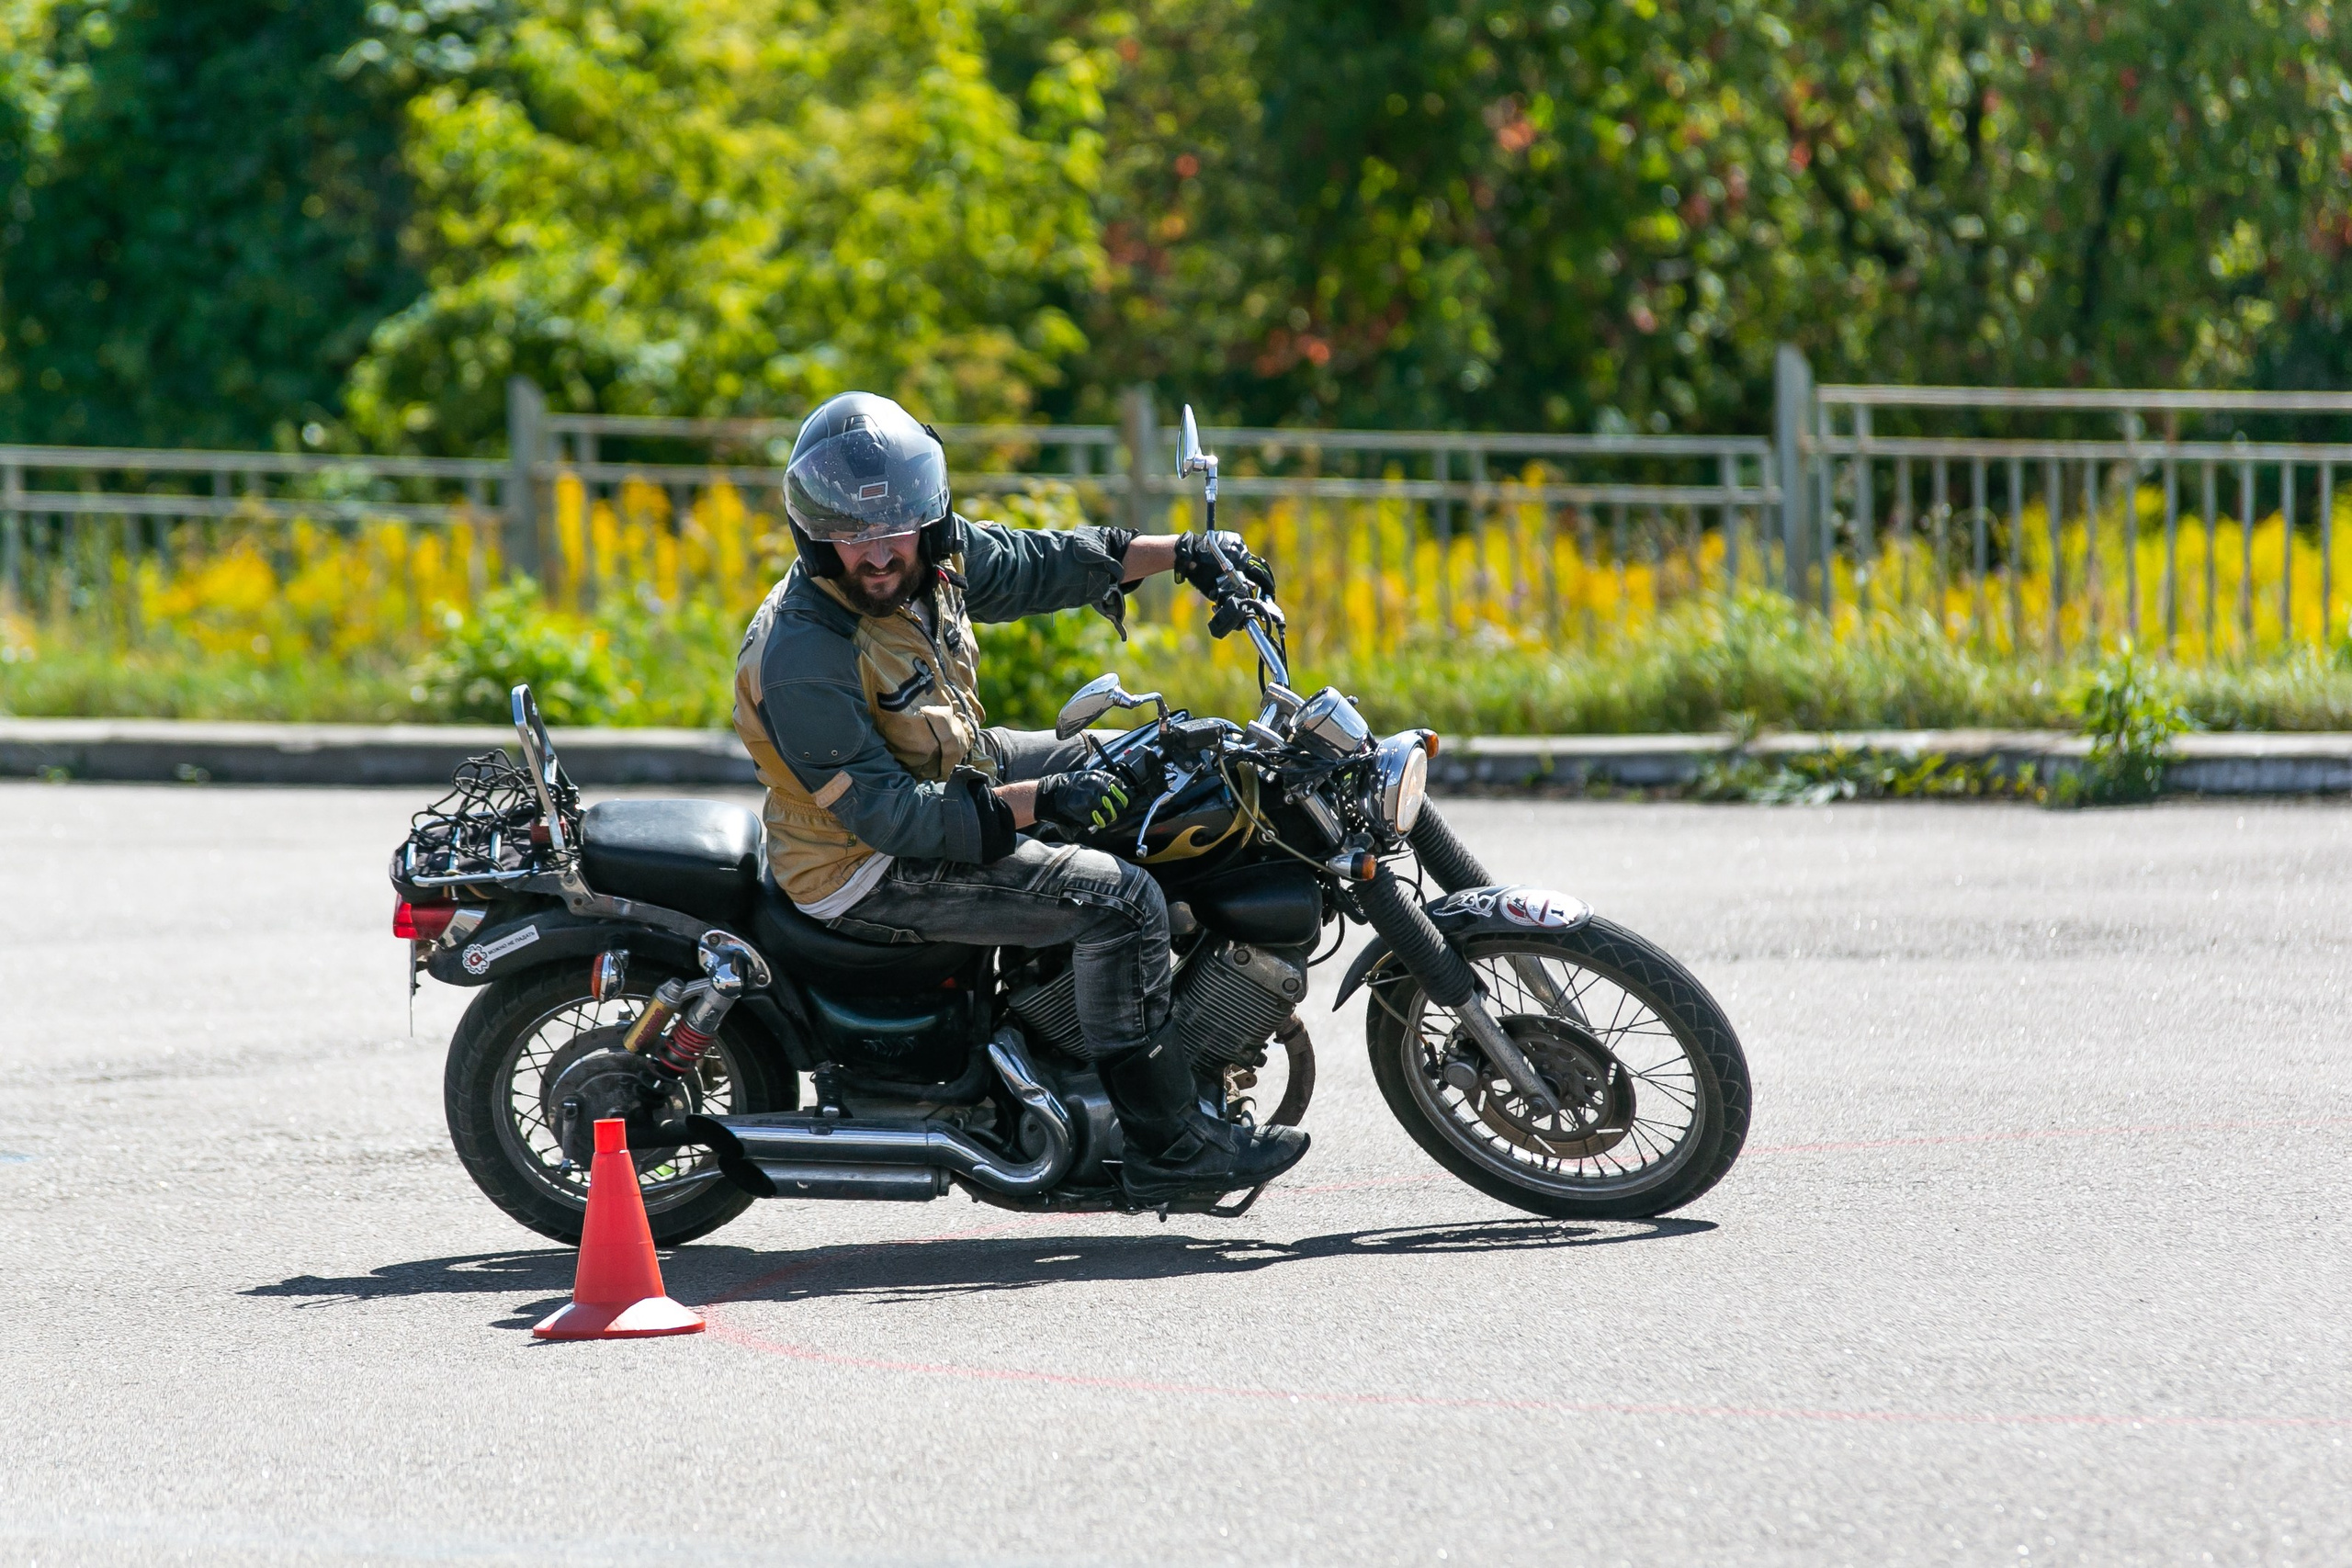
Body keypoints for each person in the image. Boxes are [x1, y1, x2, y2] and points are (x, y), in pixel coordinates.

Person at [732, 391, 1308, 1202]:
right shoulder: (805, 649)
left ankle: (1106, 1019)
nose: (875, 553)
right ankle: (1169, 1143)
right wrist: (1044, 800)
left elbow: (1040, 562)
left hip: (950, 768)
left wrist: (1184, 552)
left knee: (1153, 756)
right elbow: (890, 818)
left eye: (894, 528)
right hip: (864, 864)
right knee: (1124, 903)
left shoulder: (932, 563)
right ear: (813, 531)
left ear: (927, 517)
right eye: (848, 535)